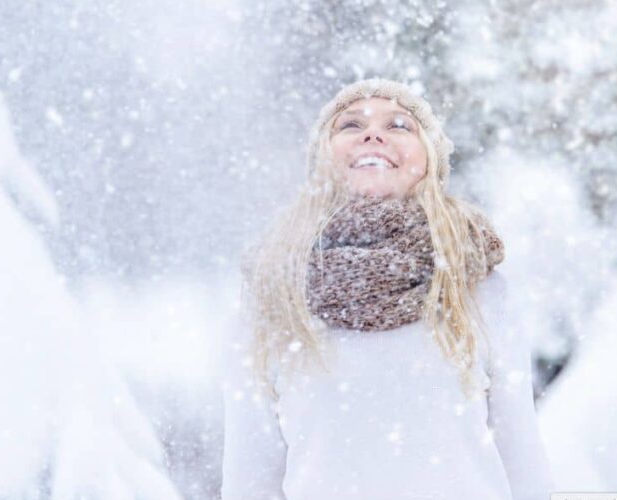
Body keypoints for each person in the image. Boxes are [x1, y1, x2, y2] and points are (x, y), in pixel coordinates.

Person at [221, 78, 555, 500]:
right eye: (349, 125)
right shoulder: (272, 291)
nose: (372, 133)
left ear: (431, 160)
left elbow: (521, 457)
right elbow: (251, 477)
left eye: (399, 124)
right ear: (319, 160)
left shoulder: (476, 281)